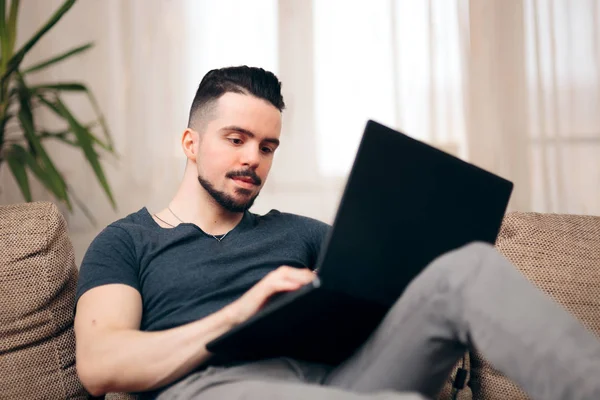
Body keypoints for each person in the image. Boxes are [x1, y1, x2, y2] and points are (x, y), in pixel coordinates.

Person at [74, 66, 600, 400]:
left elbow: (399, 294)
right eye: (236, 139)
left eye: (267, 146)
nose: (252, 159)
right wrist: (242, 311)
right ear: (190, 142)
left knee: (469, 269)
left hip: (338, 379)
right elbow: (101, 365)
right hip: (214, 387)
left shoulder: (299, 235)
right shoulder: (127, 242)